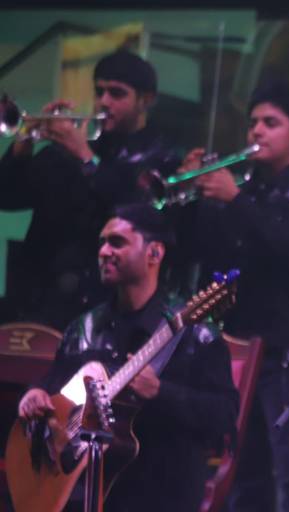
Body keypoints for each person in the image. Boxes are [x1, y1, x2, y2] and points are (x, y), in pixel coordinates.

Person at [179, 81, 289, 512]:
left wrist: (234, 200)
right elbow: (207, 253)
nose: (256, 132)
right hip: (239, 352)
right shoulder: (248, 192)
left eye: (271, 123)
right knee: (240, 473)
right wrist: (197, 201)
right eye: (253, 122)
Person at [16, 203, 239, 511]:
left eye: (117, 242)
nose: (104, 251)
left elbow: (224, 417)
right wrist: (34, 394)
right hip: (80, 490)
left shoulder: (196, 335)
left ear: (155, 254)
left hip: (159, 492)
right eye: (102, 243)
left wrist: (161, 393)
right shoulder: (85, 328)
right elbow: (54, 383)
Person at [0, 50, 179, 330]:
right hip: (40, 301)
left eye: (116, 93)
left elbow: (138, 211)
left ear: (146, 100)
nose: (103, 102)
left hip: (105, 307)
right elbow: (7, 197)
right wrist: (23, 143)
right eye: (99, 92)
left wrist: (85, 156)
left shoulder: (160, 156)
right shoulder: (64, 152)